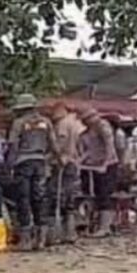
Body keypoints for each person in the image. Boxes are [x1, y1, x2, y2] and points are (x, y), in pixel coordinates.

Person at [6, 94, 58, 250]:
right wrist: (55, 159)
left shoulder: (19, 123)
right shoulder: (46, 122)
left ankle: (26, 240)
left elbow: (13, 145)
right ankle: (41, 239)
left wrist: (9, 165)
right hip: (40, 163)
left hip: (23, 163)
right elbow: (54, 145)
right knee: (39, 198)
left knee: (23, 199)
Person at [47, 102, 84, 244]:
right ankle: (70, 232)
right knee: (69, 197)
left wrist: (53, 157)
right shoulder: (77, 123)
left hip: (63, 162)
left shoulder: (63, 124)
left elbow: (60, 143)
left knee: (57, 196)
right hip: (74, 162)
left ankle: (59, 233)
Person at [79, 108, 118, 236]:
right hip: (92, 166)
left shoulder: (103, 126)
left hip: (107, 165)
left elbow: (109, 146)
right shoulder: (86, 132)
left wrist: (105, 164)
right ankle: (93, 224)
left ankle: (105, 227)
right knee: (91, 194)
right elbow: (89, 150)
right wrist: (79, 162)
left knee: (104, 194)